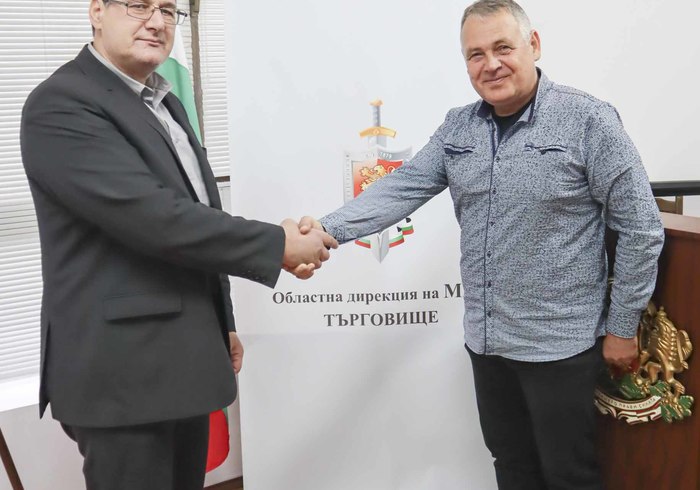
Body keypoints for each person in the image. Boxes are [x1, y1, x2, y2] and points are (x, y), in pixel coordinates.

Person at [298, 1, 664, 488]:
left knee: (569, 475)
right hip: (488, 342)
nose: (490, 64)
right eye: (475, 54)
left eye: (502, 48)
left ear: (533, 45)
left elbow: (641, 227)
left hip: (560, 347)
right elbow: (401, 187)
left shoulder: (589, 120)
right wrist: (326, 229)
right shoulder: (458, 127)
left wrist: (621, 326)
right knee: (510, 466)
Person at [20, 1, 337, 488]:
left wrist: (221, 320)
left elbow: (199, 212)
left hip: (183, 355)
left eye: (168, 10)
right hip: (123, 374)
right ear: (97, 11)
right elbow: (153, 218)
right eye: (139, 6)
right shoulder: (62, 103)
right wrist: (278, 244)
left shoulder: (164, 101)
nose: (156, 21)